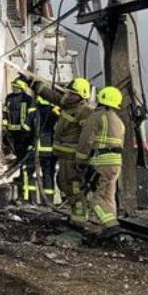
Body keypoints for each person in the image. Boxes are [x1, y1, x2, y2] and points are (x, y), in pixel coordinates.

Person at [29, 73, 95, 227]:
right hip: (63, 156)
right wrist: (34, 84)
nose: (69, 95)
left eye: (73, 94)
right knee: (64, 185)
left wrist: (83, 159)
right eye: (69, 93)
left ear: (81, 96)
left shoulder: (84, 112)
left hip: (73, 159)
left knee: (74, 188)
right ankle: (75, 215)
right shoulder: (68, 104)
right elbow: (52, 95)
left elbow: (89, 137)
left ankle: (79, 220)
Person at [77, 85, 126, 234]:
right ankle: (110, 225)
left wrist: (81, 160)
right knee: (109, 197)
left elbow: (86, 140)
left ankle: (110, 225)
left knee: (94, 197)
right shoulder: (119, 121)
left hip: (101, 163)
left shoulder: (97, 116)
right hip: (116, 164)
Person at [2, 78, 36, 202]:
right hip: (13, 133)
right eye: (13, 86)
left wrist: (26, 128)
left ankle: (26, 196)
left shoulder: (28, 99)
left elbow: (31, 116)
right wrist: (5, 127)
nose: (14, 88)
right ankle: (23, 189)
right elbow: (5, 112)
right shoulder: (9, 98)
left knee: (25, 163)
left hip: (24, 135)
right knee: (20, 159)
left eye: (17, 86)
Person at [33, 96, 60, 205]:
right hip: (51, 148)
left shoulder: (34, 110)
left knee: (33, 174)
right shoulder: (54, 110)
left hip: (37, 148)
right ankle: (49, 201)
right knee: (49, 174)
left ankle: (36, 200)